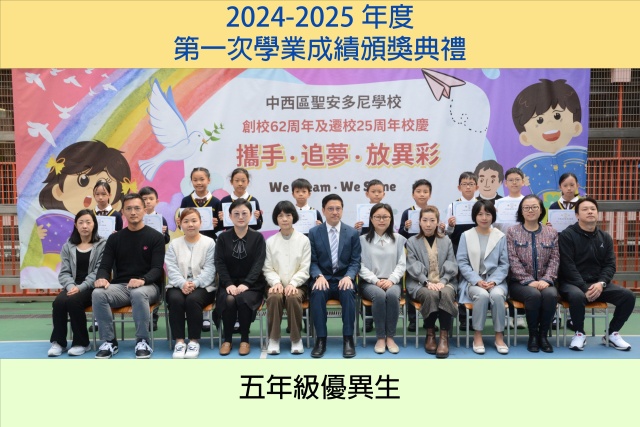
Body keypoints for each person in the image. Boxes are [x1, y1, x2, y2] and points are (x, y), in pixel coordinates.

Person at [92, 193, 166, 359]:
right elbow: (104, 266)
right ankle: (109, 341)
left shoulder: (156, 237)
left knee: (138, 293)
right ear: (123, 212)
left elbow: (157, 269)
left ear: (144, 210)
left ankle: (142, 340)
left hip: (148, 287)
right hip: (121, 287)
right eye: (129, 209)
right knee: (98, 293)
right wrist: (102, 277)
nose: (133, 212)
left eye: (137, 208)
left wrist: (142, 280)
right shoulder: (114, 238)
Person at [558, 197, 635, 351]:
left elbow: (610, 265)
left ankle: (611, 333)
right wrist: (583, 287)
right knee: (577, 296)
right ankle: (579, 333)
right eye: (585, 209)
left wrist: (601, 283)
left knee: (628, 296)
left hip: (597, 284)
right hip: (572, 283)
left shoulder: (605, 237)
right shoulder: (567, 235)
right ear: (577, 215)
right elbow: (567, 266)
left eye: (593, 209)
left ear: (597, 213)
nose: (590, 212)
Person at [308, 194, 361, 358]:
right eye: (330, 209)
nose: (335, 212)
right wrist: (318, 276)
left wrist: (349, 276)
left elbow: (355, 261)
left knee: (348, 292)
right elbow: (312, 260)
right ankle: (321, 340)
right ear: (323, 210)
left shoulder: (352, 233)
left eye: (338, 208)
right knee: (317, 293)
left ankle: (348, 339)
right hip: (323, 278)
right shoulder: (314, 232)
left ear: (342, 210)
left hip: (343, 278)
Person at [48, 210, 106, 357]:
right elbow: (64, 272)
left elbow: (99, 271)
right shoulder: (68, 246)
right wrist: (71, 286)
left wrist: (80, 287)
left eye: (88, 222)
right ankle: (59, 342)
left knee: (74, 301)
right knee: (59, 302)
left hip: (92, 286)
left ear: (94, 224)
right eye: (81, 222)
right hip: (72, 286)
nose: (84, 226)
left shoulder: (102, 244)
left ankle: (82, 343)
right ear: (75, 225)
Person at [506, 195, 559, 353]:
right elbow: (512, 260)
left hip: (545, 282)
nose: (530, 210)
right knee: (533, 295)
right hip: (519, 284)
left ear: (541, 210)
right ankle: (533, 336)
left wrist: (547, 279)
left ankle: (543, 336)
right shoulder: (512, 232)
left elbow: (555, 259)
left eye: (534, 207)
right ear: (521, 211)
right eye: (526, 208)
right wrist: (529, 281)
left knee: (551, 295)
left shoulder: (551, 232)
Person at [215, 198, 267, 356]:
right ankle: (227, 340)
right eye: (236, 213)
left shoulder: (258, 238)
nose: (240, 217)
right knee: (229, 299)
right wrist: (228, 284)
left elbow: (259, 264)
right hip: (228, 284)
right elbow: (219, 263)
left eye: (244, 213)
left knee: (243, 299)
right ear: (229, 216)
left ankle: (245, 340)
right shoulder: (222, 238)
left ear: (251, 215)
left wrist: (246, 284)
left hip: (252, 285)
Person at [457, 199, 510, 355]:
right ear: (475, 216)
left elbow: (504, 264)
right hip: (473, 281)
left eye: (488, 214)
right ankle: (478, 335)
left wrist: (493, 281)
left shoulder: (500, 236)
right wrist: (477, 280)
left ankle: (499, 336)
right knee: (482, 295)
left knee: (497, 295)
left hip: (496, 281)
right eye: (480, 214)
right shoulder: (466, 235)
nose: (484, 218)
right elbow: (462, 262)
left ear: (493, 216)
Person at [406, 206, 458, 358]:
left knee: (445, 294)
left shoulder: (446, 240)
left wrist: (443, 281)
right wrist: (426, 282)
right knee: (431, 294)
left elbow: (451, 262)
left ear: (437, 222)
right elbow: (412, 265)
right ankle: (430, 334)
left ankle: (443, 337)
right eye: (425, 220)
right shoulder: (412, 241)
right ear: (419, 222)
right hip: (419, 283)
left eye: (432, 220)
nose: (428, 224)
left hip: (445, 281)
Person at [165, 208, 216, 359]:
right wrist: (182, 283)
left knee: (193, 300)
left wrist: (195, 283)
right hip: (177, 285)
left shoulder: (209, 243)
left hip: (203, 286)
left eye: (194, 221)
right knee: (175, 299)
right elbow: (171, 267)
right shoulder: (174, 244)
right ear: (180, 224)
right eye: (186, 221)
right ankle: (179, 342)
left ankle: (194, 341)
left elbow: (210, 268)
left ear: (200, 222)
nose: (190, 224)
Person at [263, 201, 311, 355]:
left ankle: (296, 339)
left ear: (293, 217)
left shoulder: (304, 240)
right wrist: (276, 282)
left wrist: (293, 283)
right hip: (275, 285)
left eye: (288, 215)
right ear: (276, 219)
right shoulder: (270, 241)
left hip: (298, 285)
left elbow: (305, 268)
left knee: (292, 297)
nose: (284, 219)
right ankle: (274, 339)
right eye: (280, 216)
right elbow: (267, 268)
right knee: (274, 297)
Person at [359, 203, 406, 354]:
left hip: (392, 282)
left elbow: (402, 264)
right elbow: (360, 265)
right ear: (371, 219)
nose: (381, 220)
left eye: (385, 217)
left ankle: (390, 337)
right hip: (370, 283)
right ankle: (380, 337)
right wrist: (376, 281)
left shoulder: (399, 239)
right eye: (377, 217)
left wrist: (391, 280)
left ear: (391, 219)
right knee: (379, 295)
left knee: (392, 295)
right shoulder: (362, 240)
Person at [180, 167, 222, 333]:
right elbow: (182, 223)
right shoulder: (186, 201)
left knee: (208, 276)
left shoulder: (216, 201)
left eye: (202, 179)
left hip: (209, 244)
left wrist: (218, 223)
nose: (199, 183)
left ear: (209, 180)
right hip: (189, 244)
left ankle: (206, 315)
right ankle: (189, 309)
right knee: (191, 273)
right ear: (191, 181)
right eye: (195, 180)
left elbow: (223, 226)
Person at [399, 179, 444, 332]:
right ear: (413, 194)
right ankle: (412, 320)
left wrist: (443, 227)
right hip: (413, 252)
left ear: (430, 195)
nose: (422, 194)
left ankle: (428, 320)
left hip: (430, 252)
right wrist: (405, 228)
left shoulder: (434, 211)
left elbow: (439, 234)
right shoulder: (407, 212)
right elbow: (401, 235)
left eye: (425, 191)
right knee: (412, 284)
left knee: (432, 287)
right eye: (418, 191)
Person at [354, 179, 386, 333]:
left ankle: (382, 320)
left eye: (379, 191)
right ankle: (367, 320)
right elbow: (358, 237)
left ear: (384, 194)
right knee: (366, 284)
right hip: (367, 251)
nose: (376, 194)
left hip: (383, 252)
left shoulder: (386, 211)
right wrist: (357, 229)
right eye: (373, 191)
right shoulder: (362, 211)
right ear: (367, 194)